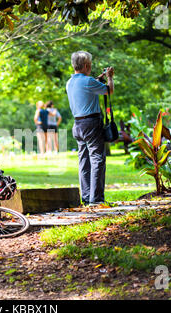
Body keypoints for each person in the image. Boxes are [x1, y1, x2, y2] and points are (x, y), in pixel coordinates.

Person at [65, 51, 114, 206]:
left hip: (77, 125)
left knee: (84, 161)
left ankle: (86, 198)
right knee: (97, 159)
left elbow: (88, 87)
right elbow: (109, 90)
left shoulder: (70, 82)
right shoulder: (88, 82)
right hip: (91, 124)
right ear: (86, 65)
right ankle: (97, 199)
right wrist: (110, 78)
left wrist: (98, 78)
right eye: (90, 65)